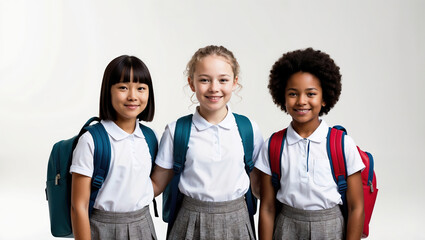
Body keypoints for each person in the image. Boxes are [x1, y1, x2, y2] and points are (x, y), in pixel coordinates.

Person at [151, 45, 263, 239]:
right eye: (204, 80)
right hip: (189, 220)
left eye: (223, 80)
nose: (214, 88)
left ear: (235, 82)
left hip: (237, 220)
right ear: (192, 83)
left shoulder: (248, 129)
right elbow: (155, 185)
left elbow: (260, 186)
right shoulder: (176, 130)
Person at [256, 48, 365, 240]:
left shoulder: (342, 144)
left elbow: (356, 207)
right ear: (283, 97)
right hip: (286, 227)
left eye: (311, 93)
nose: (301, 101)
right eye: (293, 93)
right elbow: (267, 207)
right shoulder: (273, 146)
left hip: (331, 228)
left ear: (324, 98)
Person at [70, 55, 158, 240]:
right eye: (123, 88)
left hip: (143, 226)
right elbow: (79, 206)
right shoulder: (91, 140)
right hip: (102, 229)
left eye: (141, 88)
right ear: (108, 91)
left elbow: (144, 184)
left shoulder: (149, 137)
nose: (133, 96)